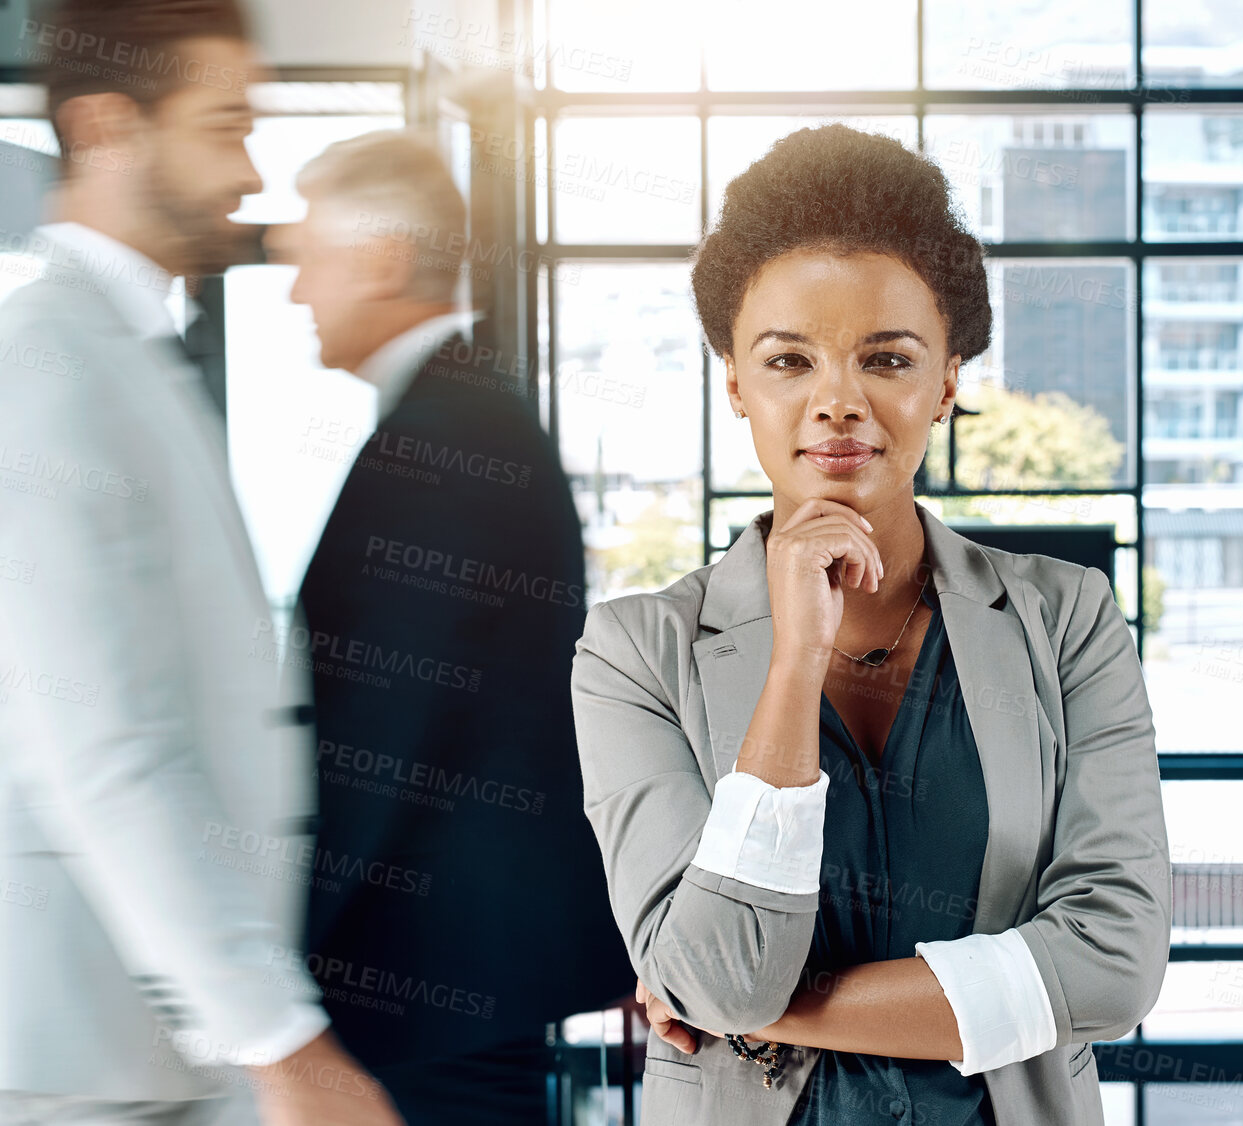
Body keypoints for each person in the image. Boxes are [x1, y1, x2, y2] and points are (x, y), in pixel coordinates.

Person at [571, 124, 1172, 1125]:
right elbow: (717, 975)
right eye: (789, 360)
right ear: (735, 383)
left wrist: (775, 1008)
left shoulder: (1068, 622)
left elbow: (1113, 964)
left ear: (946, 381)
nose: (838, 402)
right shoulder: (635, 654)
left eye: (886, 358)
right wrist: (795, 657)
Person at [0, 1, 402, 1123]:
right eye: (224, 126)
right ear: (108, 129)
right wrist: (282, 1039)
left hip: (162, 1047)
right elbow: (100, 738)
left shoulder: (128, 349)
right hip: (85, 1051)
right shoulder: (47, 364)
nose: (248, 168)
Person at [269, 131, 633, 1124]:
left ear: (385, 257)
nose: (298, 292)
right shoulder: (464, 413)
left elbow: (382, 735)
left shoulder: (441, 439)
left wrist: (282, 965)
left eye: (309, 259)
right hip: (460, 969)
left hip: (426, 977)